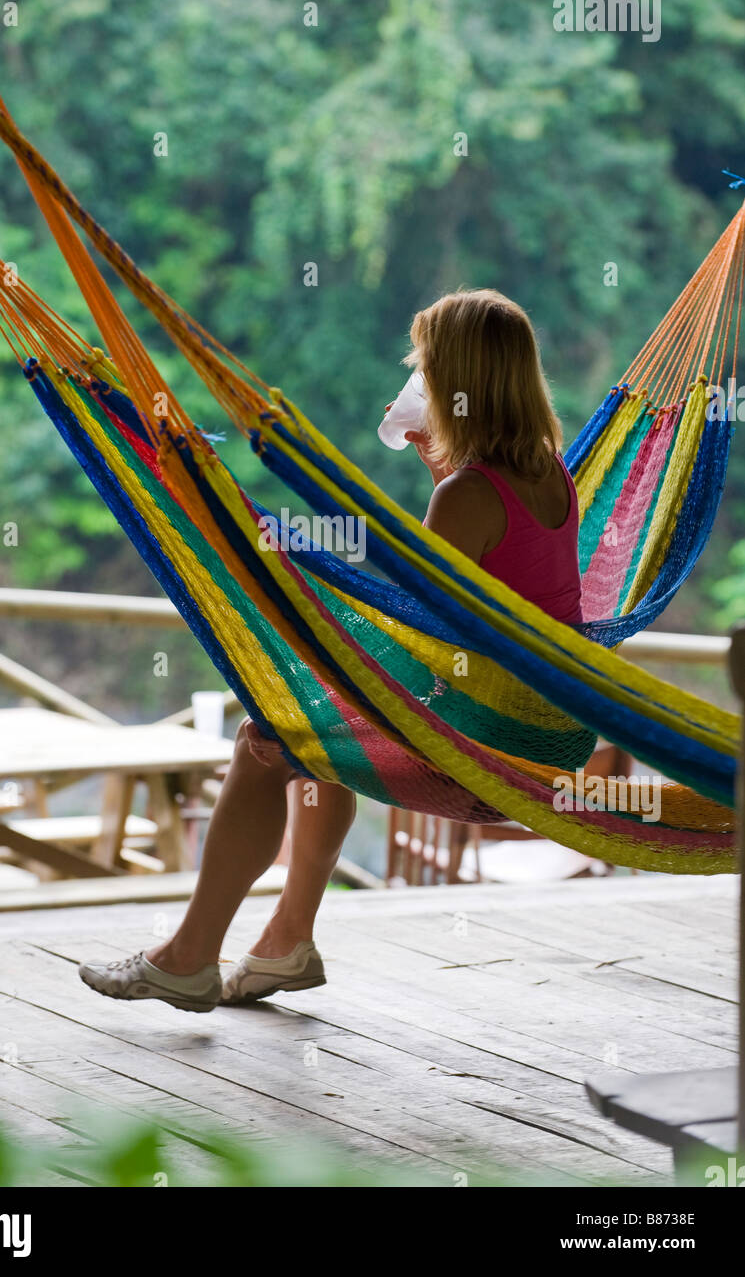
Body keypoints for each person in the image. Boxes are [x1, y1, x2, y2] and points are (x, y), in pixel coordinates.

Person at [79, 288, 582, 1012]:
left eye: (424, 365)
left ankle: (187, 958)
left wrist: (307, 605)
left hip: (485, 751)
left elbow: (417, 626)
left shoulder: (468, 493)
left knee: (264, 741)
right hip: (541, 732)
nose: (415, 378)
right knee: (328, 727)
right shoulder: (549, 472)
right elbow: (488, 584)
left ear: (454, 381)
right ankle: (284, 943)